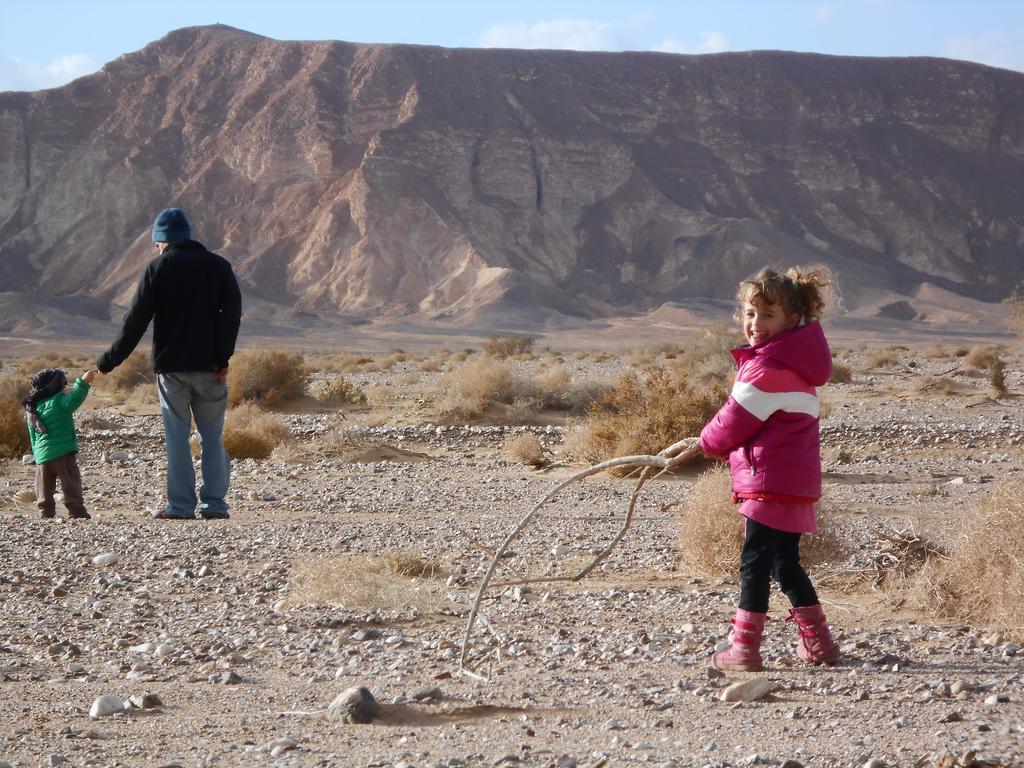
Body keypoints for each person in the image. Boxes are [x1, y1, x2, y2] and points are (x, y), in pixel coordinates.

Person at [697, 266, 839, 671]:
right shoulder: (798, 365)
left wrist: (705, 443)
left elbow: (733, 420)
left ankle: (744, 649)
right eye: (749, 314)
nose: (755, 324)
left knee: (754, 562)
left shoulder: (766, 368)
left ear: (791, 321)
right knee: (784, 562)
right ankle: (819, 643)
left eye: (766, 315)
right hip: (794, 482)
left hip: (768, 481)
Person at [96, 207, 242, 520]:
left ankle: (180, 507)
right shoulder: (219, 266)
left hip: (172, 370)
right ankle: (215, 505)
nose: (156, 248)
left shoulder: (157, 268)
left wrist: (108, 362)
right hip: (211, 368)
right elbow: (231, 316)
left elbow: (134, 322)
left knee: (177, 439)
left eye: (157, 243)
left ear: (163, 240)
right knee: (212, 437)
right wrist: (222, 357)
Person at [22, 368, 98, 520]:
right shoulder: (57, 401)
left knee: (44, 487)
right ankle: (77, 511)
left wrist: (38, 456)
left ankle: (45, 512)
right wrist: (83, 382)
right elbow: (74, 399)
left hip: (43, 457)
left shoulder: (32, 410)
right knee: (70, 482)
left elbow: (33, 437)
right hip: (63, 453)